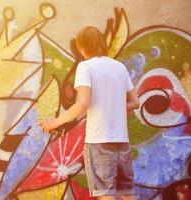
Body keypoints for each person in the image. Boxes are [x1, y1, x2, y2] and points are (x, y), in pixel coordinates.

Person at [38, 26, 140, 200]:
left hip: (99, 142)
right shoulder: (119, 67)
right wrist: (112, 106)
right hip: (121, 142)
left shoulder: (86, 67)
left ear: (82, 47)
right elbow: (135, 103)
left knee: (106, 195)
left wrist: (54, 123)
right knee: (127, 195)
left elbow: (82, 104)